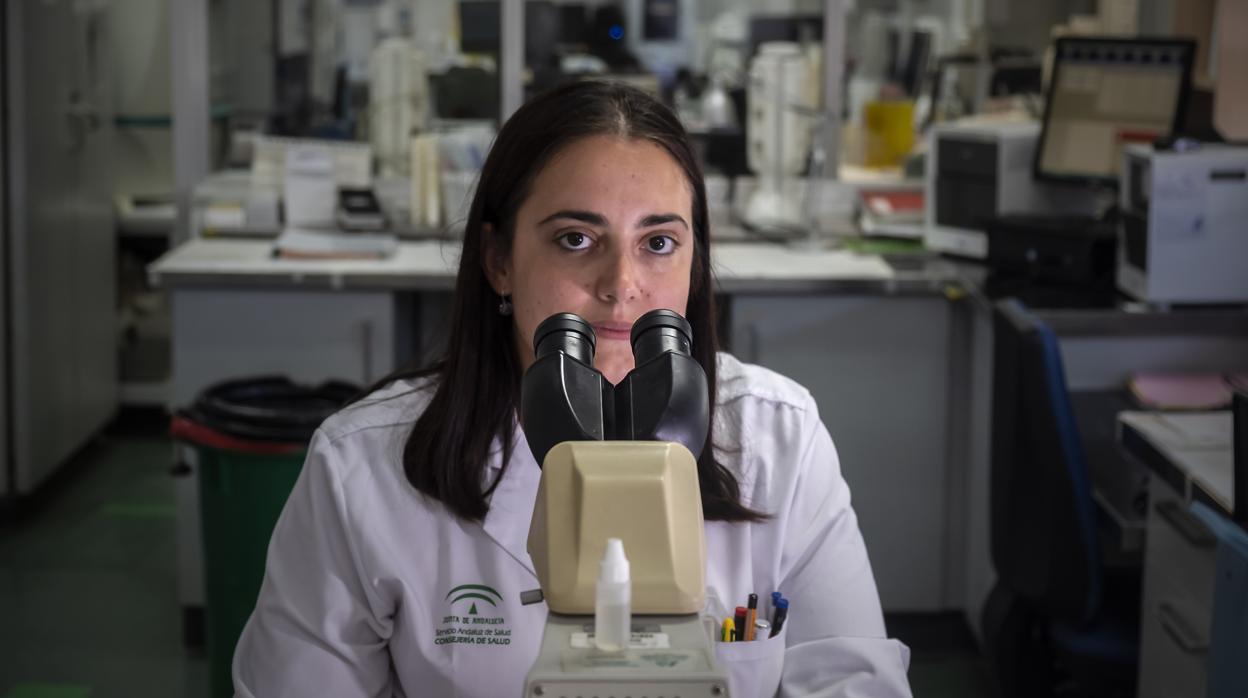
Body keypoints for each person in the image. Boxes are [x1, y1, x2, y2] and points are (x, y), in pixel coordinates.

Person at [233, 80, 912, 697]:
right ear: (499, 260)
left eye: (659, 243)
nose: (622, 285)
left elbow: (853, 683)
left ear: (695, 260)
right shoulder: (363, 466)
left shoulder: (778, 440)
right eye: (576, 239)